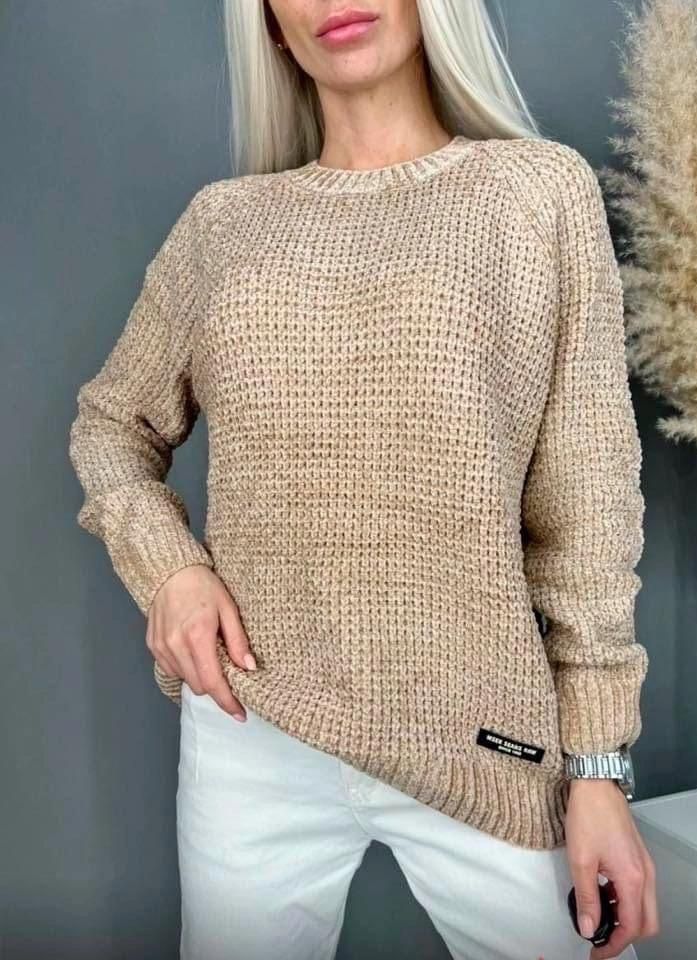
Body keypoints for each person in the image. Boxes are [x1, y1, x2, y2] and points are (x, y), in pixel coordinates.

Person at [68, 1, 660, 957]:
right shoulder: (225, 225)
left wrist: (597, 767)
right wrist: (168, 569)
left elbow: (587, 504)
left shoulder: (536, 193)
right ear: (269, 23)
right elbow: (111, 423)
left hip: (485, 734)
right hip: (254, 725)